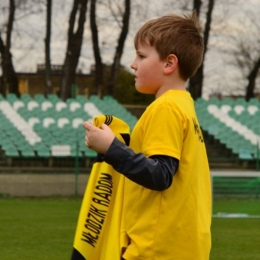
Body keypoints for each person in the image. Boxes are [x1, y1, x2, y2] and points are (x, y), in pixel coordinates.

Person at [83, 12, 212, 260]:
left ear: (168, 64)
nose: (133, 64)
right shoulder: (184, 106)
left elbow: (161, 174)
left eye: (141, 56)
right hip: (184, 246)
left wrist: (111, 148)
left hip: (156, 248)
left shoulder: (166, 108)